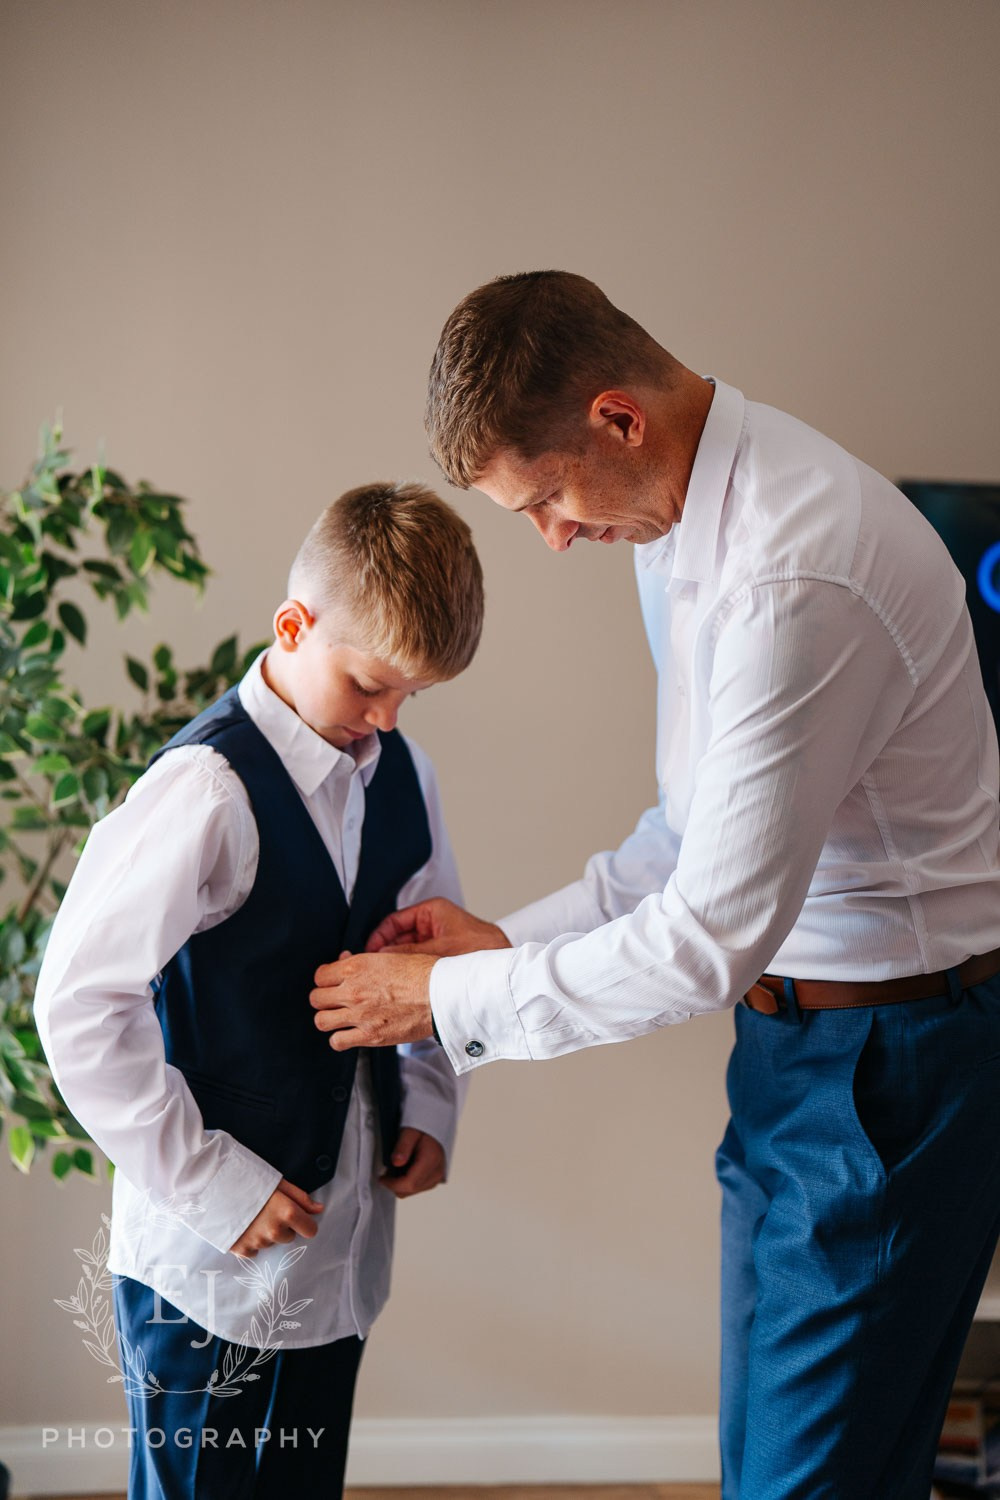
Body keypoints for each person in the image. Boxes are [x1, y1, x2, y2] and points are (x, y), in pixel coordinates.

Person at [308, 272, 1000, 1499]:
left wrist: (445, 1003)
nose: (554, 537)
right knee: (766, 1473)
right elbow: (687, 838)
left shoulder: (796, 573)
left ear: (619, 419)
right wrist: (496, 943)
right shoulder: (677, 523)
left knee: (809, 1486)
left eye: (547, 499)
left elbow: (701, 942)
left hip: (891, 1073)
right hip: (797, 1053)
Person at [34, 481, 484, 1499]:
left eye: (412, 695)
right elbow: (77, 1003)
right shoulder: (205, 793)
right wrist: (214, 1185)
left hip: (339, 1255)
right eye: (370, 685)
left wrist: (429, 1102)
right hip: (205, 1273)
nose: (386, 719)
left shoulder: (400, 771)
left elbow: (428, 951)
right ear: (294, 626)